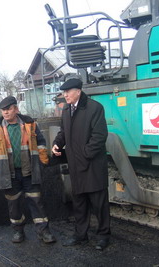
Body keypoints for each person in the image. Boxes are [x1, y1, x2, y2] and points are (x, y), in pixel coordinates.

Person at [0, 96, 56, 244]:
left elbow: (41, 143)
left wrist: (42, 163)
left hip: (30, 172)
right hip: (9, 175)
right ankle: (18, 231)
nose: (5, 112)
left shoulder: (30, 124)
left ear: (16, 109)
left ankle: (44, 231)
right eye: (3, 110)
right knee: (14, 205)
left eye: (8, 109)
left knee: (37, 202)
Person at [51, 78, 111, 251]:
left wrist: (85, 154)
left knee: (99, 204)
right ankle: (81, 235)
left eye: (67, 92)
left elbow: (99, 136)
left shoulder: (95, 108)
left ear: (78, 91)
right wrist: (57, 143)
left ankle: (103, 236)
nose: (65, 95)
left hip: (92, 166)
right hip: (76, 166)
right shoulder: (66, 109)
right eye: (63, 92)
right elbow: (64, 132)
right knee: (79, 204)